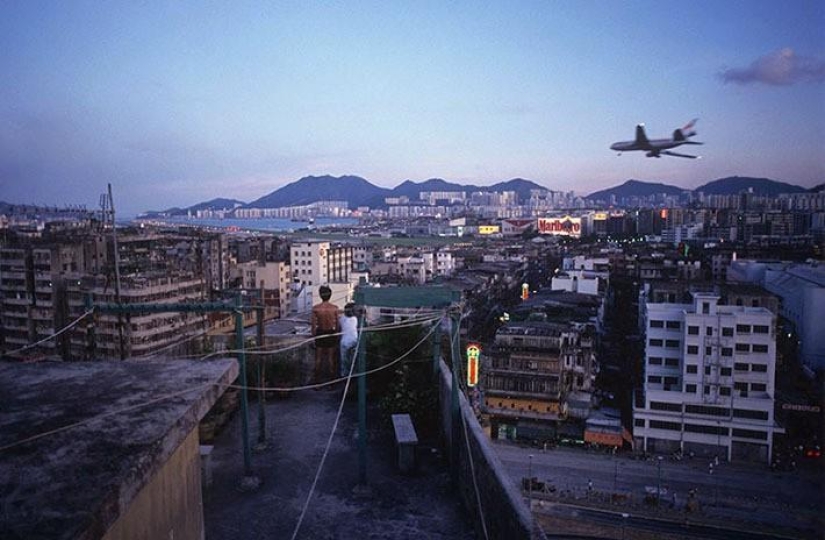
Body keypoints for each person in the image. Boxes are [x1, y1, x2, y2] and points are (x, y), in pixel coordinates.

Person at [311, 285, 339, 385]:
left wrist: (313, 337)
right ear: (330, 295)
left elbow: (313, 326)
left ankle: (317, 383)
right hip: (331, 333)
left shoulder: (316, 309)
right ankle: (331, 383)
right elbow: (337, 325)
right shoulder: (335, 308)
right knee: (330, 359)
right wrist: (336, 336)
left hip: (320, 333)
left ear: (320, 295)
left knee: (318, 359)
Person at [338, 302, 358, 377]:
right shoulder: (356, 319)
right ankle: (352, 376)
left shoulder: (342, 318)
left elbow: (339, 328)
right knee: (353, 361)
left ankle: (345, 376)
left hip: (344, 342)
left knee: (344, 361)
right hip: (354, 341)